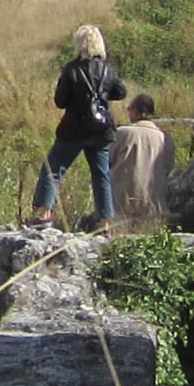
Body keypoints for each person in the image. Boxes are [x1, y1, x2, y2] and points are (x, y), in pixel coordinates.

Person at [26, 24, 127, 231]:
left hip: (74, 128)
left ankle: (44, 214)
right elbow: (121, 92)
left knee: (53, 168)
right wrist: (102, 96)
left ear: (79, 44)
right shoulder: (107, 69)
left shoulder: (71, 69)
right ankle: (105, 223)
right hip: (101, 129)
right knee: (101, 175)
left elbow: (60, 101)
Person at [110, 93, 175, 219]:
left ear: (135, 111)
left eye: (129, 109)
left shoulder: (123, 133)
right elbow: (169, 167)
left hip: (122, 208)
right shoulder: (165, 138)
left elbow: (105, 163)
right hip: (156, 208)